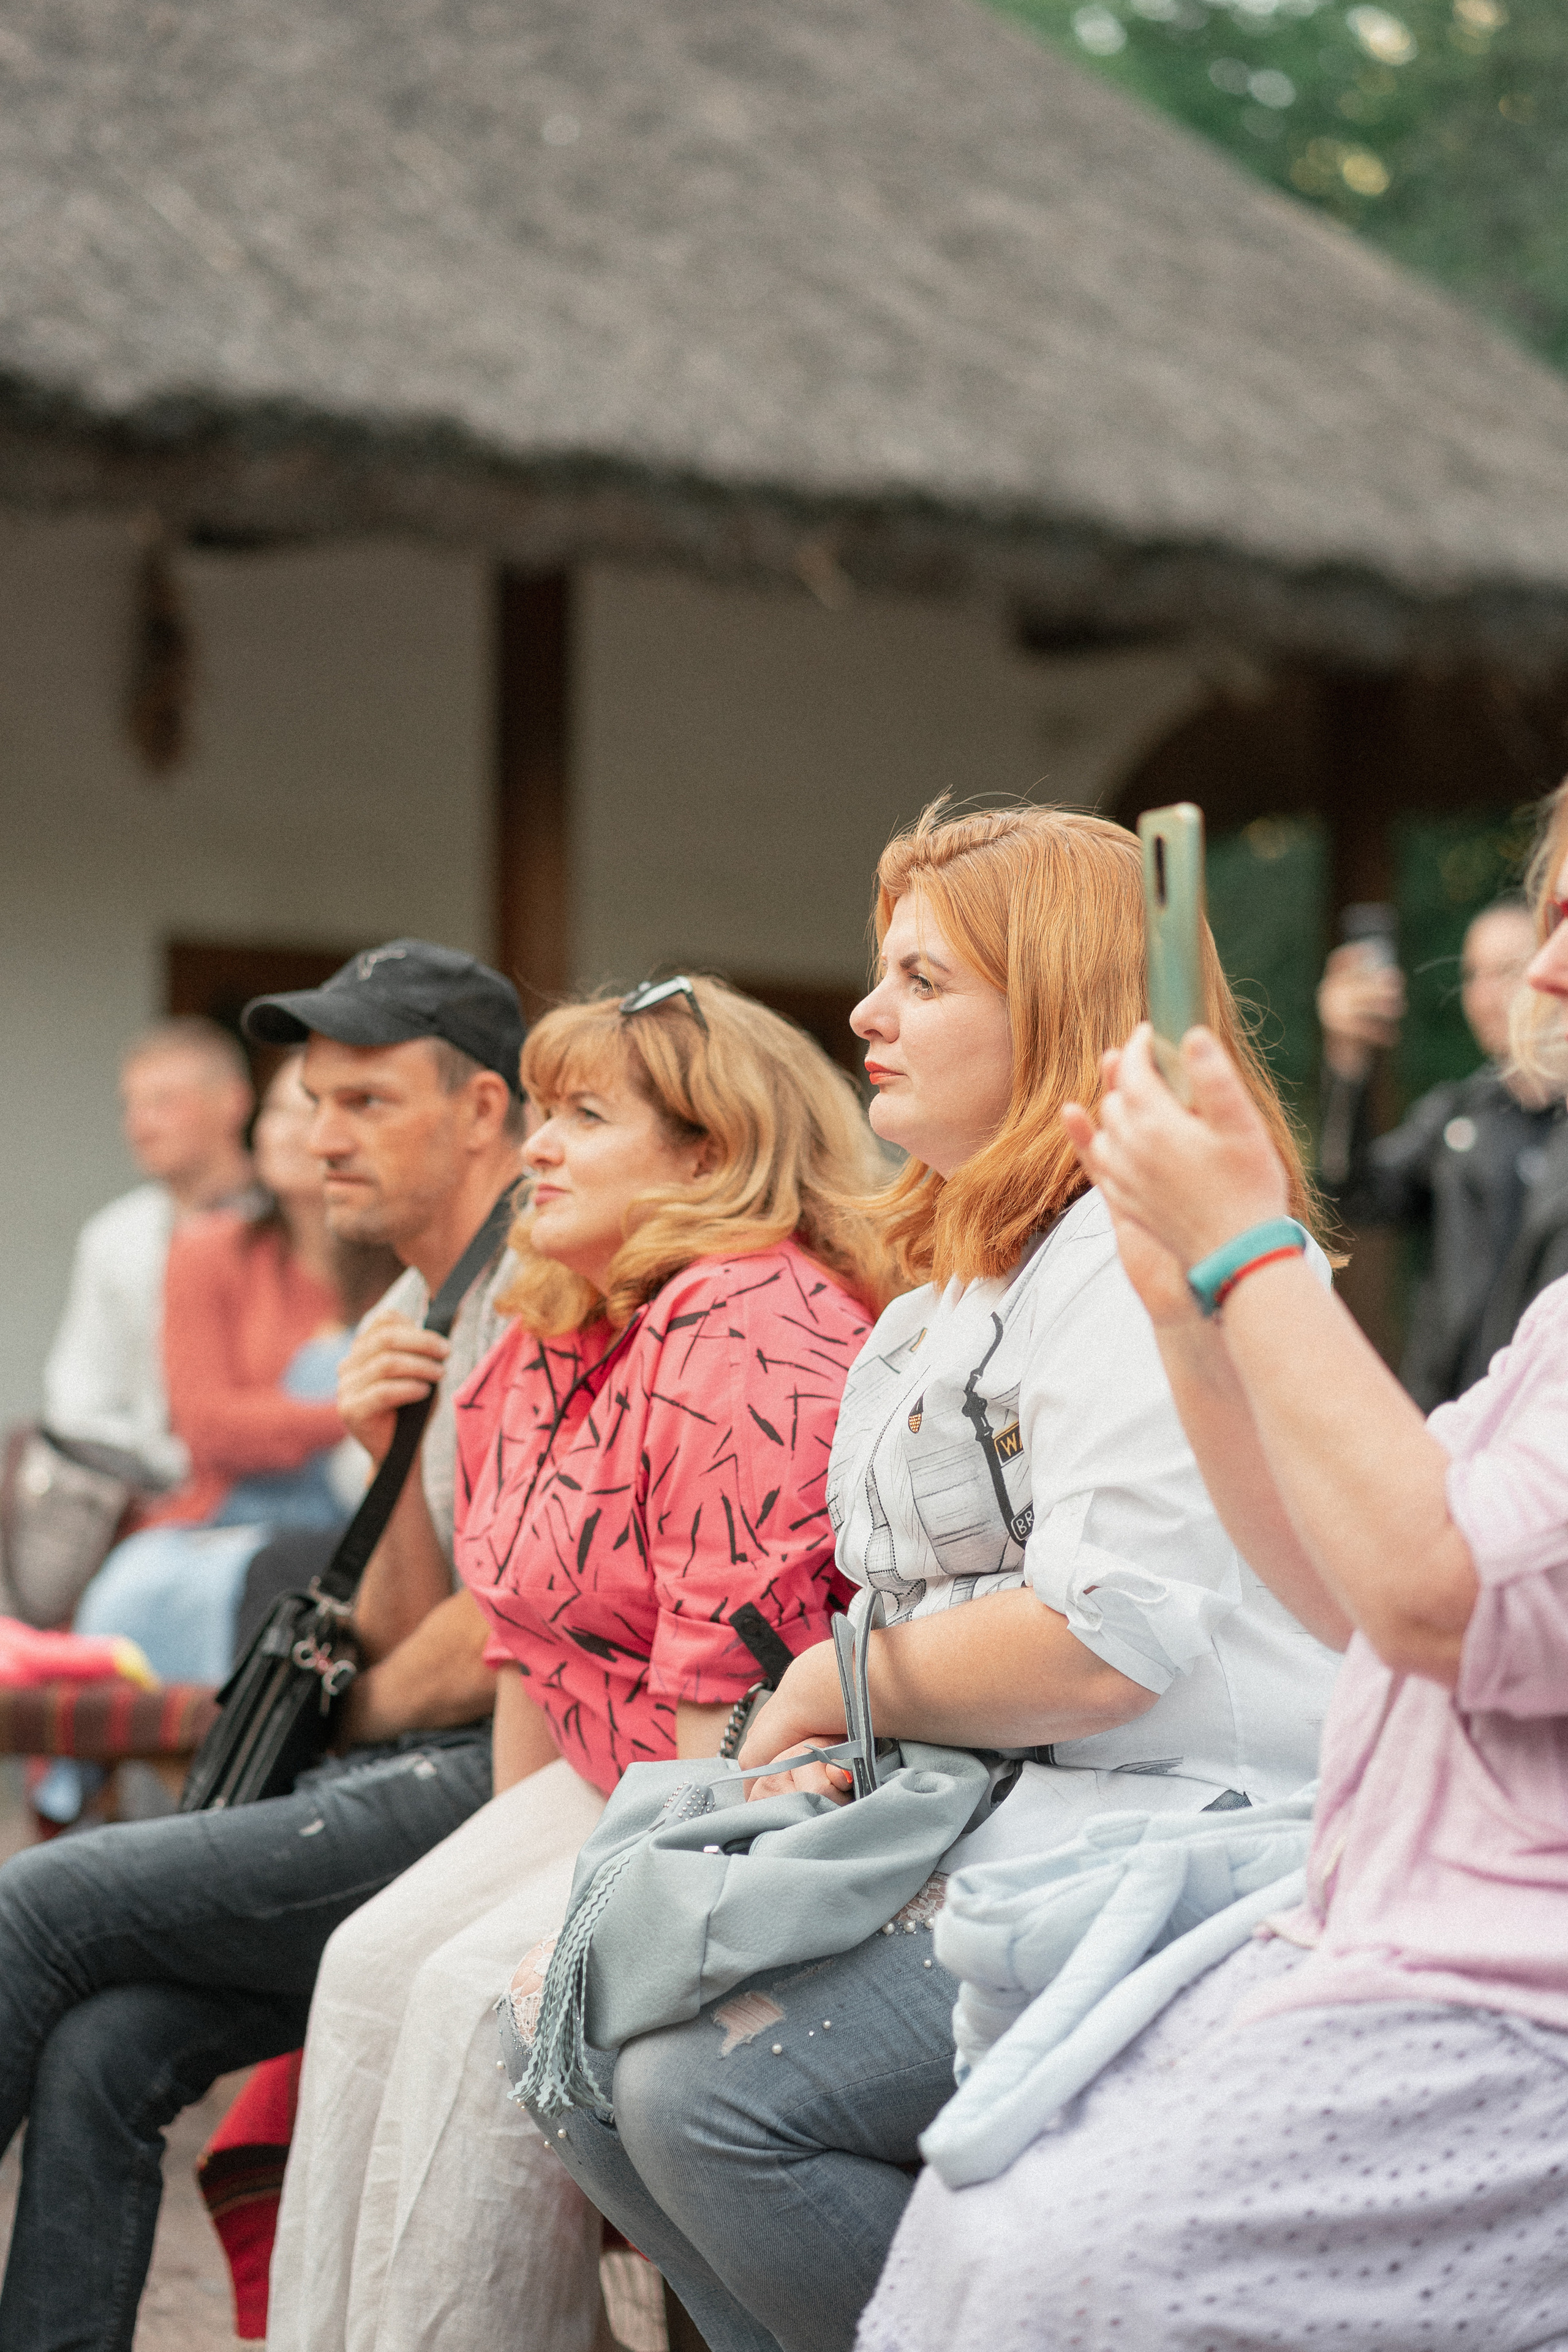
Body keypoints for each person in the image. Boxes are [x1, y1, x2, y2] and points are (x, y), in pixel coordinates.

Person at [536, 805, 1341, 2352]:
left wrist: (826, 1688)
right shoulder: (955, 1282)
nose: (863, 1015)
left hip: (1199, 1838)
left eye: (920, 978)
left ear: (1045, 1013)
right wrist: (843, 1731)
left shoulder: (1131, 1258)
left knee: (705, 2096)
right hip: (1004, 1808)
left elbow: (1105, 1644)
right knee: (577, 2039)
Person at [856, 781, 1568, 2352]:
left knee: (1017, 2233)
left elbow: (1426, 1590)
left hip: (1483, 1987)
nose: (1541, 966)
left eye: (922, 980)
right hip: (1368, 1912)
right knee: (978, 2198)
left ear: (1045, 1017)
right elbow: (1353, 1579)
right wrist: (1184, 1299)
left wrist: (1244, 1252)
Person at [266, 975, 890, 2352]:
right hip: (605, 1769)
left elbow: (732, 1732)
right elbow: (527, 1660)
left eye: (584, 1117)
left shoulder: (752, 1324)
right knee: (370, 1966)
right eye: (540, 1112)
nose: (536, 1148)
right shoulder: (560, 1324)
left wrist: (581, 1941)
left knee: (474, 2009)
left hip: (754, 1793)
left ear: (708, 1154)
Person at [0, 940, 530, 2352]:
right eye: (311, 1098)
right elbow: (422, 1611)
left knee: (35, 1906)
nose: (319, 1131)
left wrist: (345, 1717)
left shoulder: (541, 1282)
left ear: (484, 1108)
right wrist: (376, 1438)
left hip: (507, 1783)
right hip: (427, 1759)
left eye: (365, 1100)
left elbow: (508, 1628)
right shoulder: (413, 1306)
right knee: (101, 2046)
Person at [70, 1055, 399, 1689]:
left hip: (370, 1527)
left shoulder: (401, 1265)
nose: (284, 1131)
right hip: (221, 1519)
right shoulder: (207, 1251)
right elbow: (207, 1424)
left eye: (309, 1112)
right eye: (277, 1111)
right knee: (136, 1599)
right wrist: (359, 1412)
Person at [1317, 894, 1565, 1406]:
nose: (1485, 995)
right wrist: (1348, 1059)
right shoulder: (1457, 1116)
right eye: (1473, 975)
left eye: (1507, 971)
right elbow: (1353, 1197)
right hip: (1450, 1419)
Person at [43, 1017, 257, 1490]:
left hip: (284, 1481)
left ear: (233, 1102)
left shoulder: (296, 1218)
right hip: (152, 1495)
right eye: (131, 1106)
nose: (141, 1126)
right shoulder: (114, 1237)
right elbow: (80, 1398)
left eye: (164, 1102)